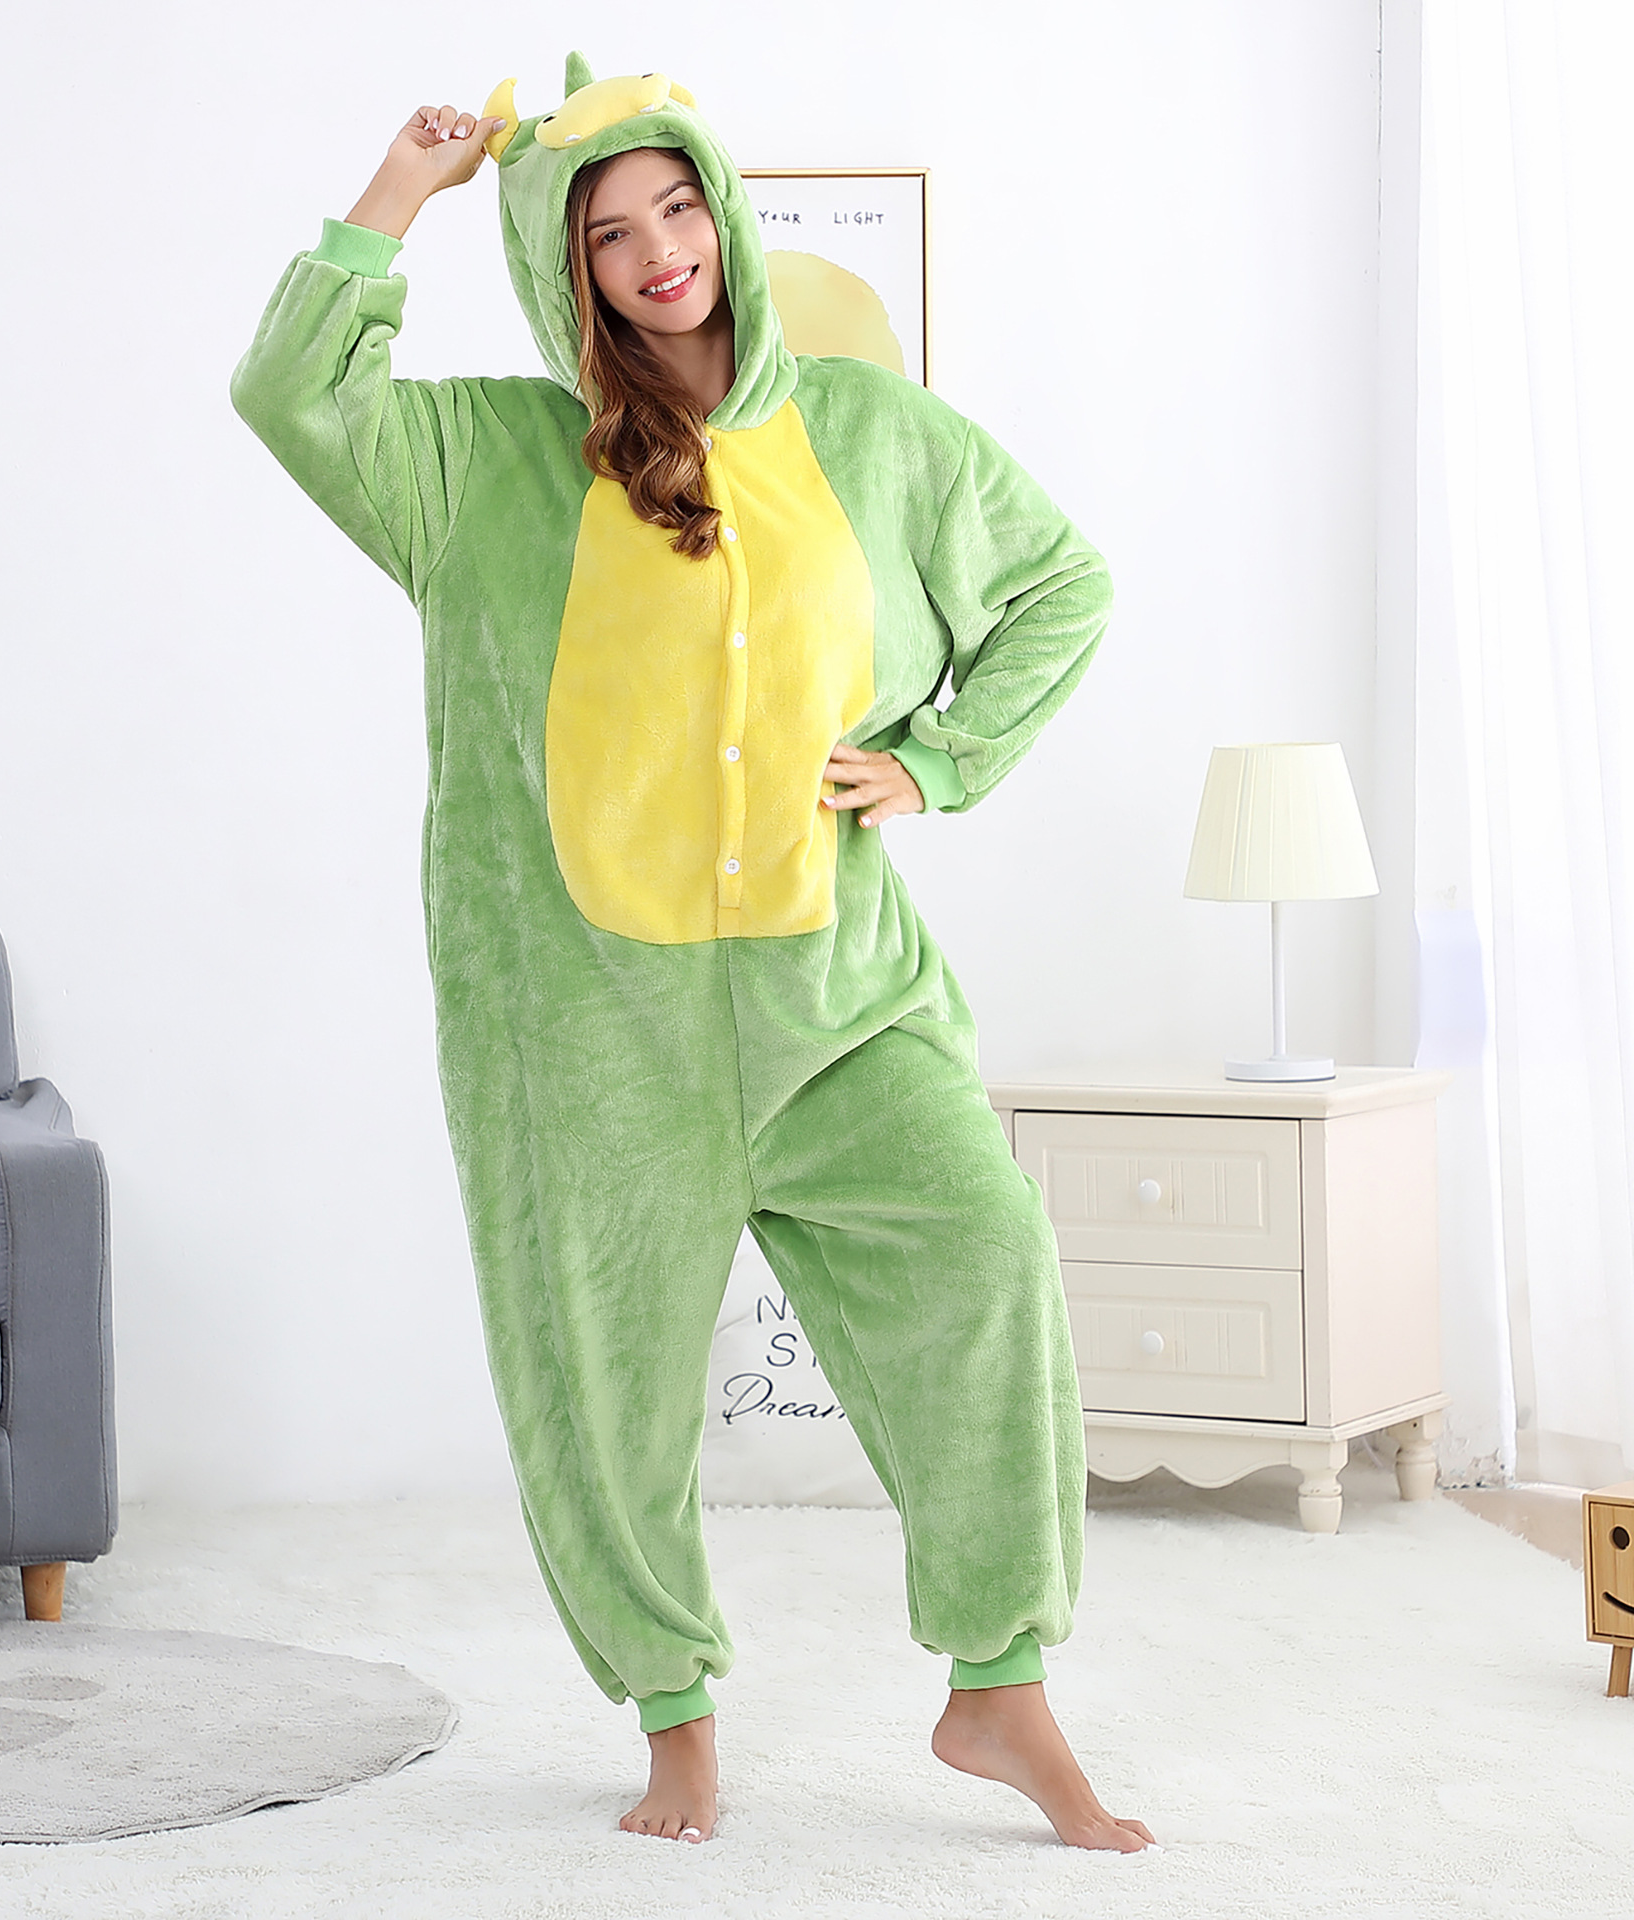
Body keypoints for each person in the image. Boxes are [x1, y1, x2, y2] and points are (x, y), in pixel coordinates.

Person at [231, 54, 1153, 1854]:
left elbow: (1063, 584)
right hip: (590, 1028)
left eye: (677, 206)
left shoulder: (873, 433)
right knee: (601, 1382)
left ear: (723, 210)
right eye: (607, 232)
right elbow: (289, 391)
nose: (658, 250)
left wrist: (940, 758)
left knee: (987, 1255)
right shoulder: (483, 463)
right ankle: (674, 1718)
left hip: (841, 999)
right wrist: (400, 188)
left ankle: (1000, 1688)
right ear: (561, 268)